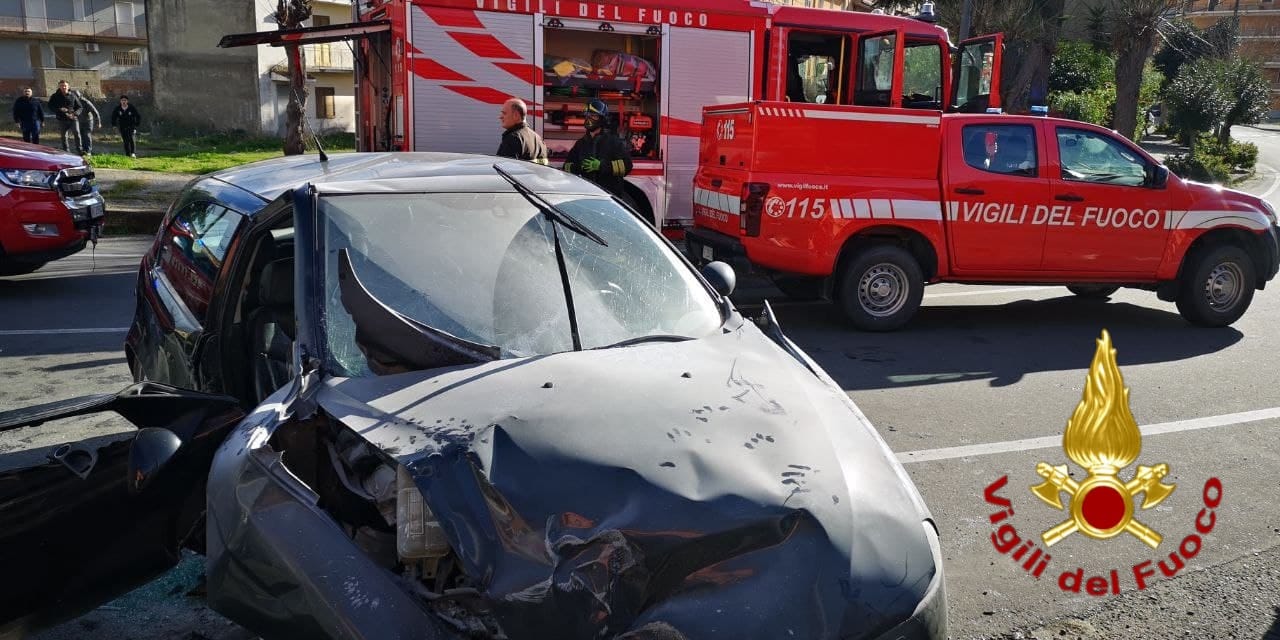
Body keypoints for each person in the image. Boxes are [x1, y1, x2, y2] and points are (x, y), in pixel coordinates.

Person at [563, 99, 634, 207]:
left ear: (602, 119)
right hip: (587, 200)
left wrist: (601, 166)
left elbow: (627, 165)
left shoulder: (613, 142)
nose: (589, 119)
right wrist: (579, 167)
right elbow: (566, 167)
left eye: (593, 116)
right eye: (587, 115)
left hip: (609, 200)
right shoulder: (581, 144)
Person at [495, 98, 548, 165]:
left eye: (504, 113)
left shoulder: (513, 138)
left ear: (516, 115)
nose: (500, 117)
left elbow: (503, 169)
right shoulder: (538, 139)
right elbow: (544, 165)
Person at [47, 80, 82, 154]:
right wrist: (59, 109)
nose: (64, 87)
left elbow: (80, 107)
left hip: (73, 118)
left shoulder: (73, 95)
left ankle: (80, 150)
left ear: (68, 86)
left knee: (77, 134)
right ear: (59, 87)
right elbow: (50, 106)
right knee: (64, 136)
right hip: (61, 119)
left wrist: (75, 114)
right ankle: (66, 151)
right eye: (62, 86)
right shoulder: (55, 96)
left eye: (65, 85)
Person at [72, 89, 100, 156]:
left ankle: (88, 151)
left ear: (79, 96)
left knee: (86, 135)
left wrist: (98, 122)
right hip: (79, 121)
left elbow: (95, 111)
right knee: (80, 135)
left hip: (88, 121)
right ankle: (83, 151)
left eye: (77, 96)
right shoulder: (72, 102)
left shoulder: (85, 102)